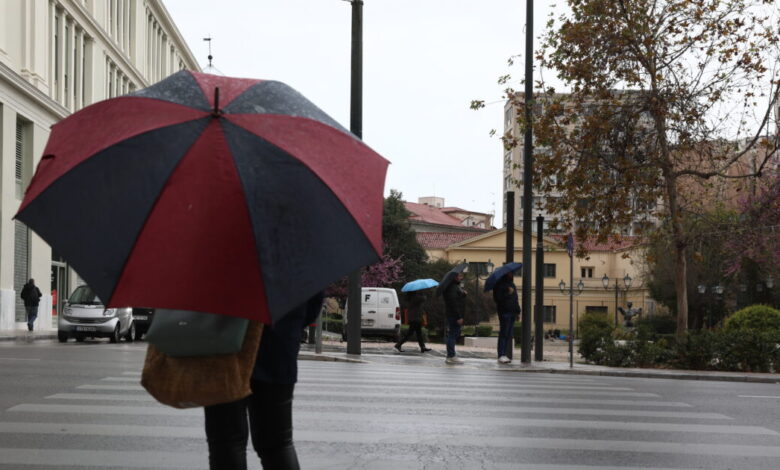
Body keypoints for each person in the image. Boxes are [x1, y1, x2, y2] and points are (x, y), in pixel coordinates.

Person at [203, 293, 323, 470]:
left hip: (224, 342)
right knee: (278, 444)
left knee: (226, 441)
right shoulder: (295, 264)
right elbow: (312, 301)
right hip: (278, 343)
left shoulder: (219, 264)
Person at [492, 272, 520, 364]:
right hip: (504, 312)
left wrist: (517, 311)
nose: (512, 274)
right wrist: (508, 293)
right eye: (510, 273)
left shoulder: (512, 284)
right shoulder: (499, 285)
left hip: (512, 312)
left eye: (512, 273)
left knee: (508, 334)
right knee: (503, 333)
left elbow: (515, 299)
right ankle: (501, 355)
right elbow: (498, 299)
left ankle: (504, 354)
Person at [443, 272, 467, 364]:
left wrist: (463, 294)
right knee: (452, 335)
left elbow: (456, 299)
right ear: (455, 277)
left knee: (453, 334)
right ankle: (451, 356)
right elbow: (453, 303)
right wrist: (459, 316)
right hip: (454, 315)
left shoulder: (453, 287)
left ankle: (451, 355)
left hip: (453, 314)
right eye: (460, 276)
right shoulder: (452, 287)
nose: (461, 277)